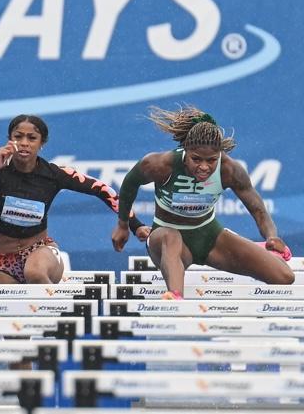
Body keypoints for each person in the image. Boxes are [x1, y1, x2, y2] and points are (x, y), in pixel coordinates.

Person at [112, 106, 293, 299]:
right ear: (185, 150)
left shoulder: (229, 170)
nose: (204, 167)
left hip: (208, 237)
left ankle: (264, 250)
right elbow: (129, 185)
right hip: (165, 238)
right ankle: (174, 297)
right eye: (196, 159)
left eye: (211, 160)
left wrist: (271, 237)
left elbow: (259, 211)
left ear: (219, 156)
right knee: (171, 236)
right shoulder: (160, 164)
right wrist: (123, 225)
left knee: (284, 277)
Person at [0, 114, 148, 284]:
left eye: (32, 138)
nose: (24, 143)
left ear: (41, 143)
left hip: (40, 252)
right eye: (18, 137)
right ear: (9, 140)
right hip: (3, 261)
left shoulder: (54, 174)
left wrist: (134, 224)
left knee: (35, 272)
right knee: (9, 317)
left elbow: (102, 189)